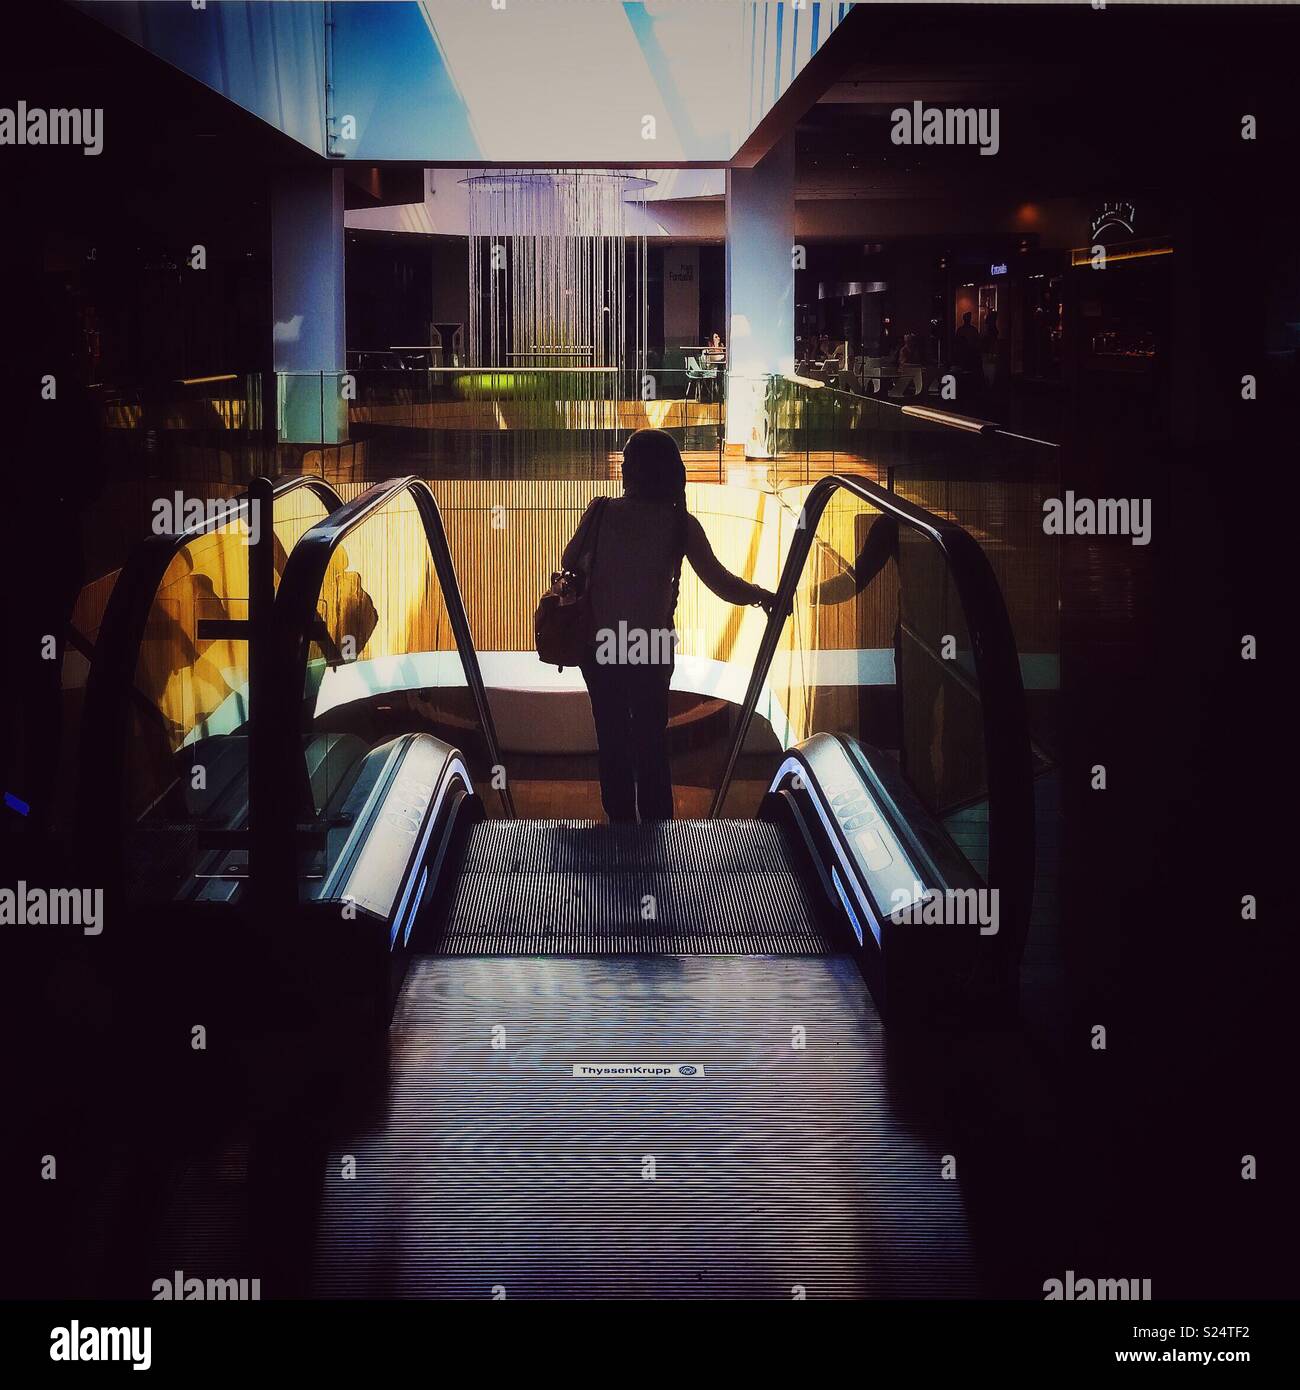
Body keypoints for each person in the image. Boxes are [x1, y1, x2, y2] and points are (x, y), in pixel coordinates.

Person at [562, 429, 776, 823]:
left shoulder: (602, 511)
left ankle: (620, 823)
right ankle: (656, 828)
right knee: (650, 739)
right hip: (651, 645)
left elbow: (569, 559)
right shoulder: (679, 523)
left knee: (611, 736)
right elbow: (720, 581)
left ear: (631, 472)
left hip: (601, 643)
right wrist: (763, 595)